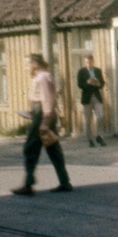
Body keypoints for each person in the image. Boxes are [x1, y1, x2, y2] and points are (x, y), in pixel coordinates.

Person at [12, 54, 73, 195]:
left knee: (30, 148)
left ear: (35, 64)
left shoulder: (42, 78)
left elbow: (48, 100)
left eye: (28, 64)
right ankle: (64, 182)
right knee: (53, 148)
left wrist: (44, 122)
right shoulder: (41, 77)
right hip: (41, 114)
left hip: (43, 116)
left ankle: (28, 184)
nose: (26, 67)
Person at [76, 55, 107, 148]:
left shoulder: (97, 70)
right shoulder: (81, 71)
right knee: (87, 120)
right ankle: (89, 139)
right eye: (86, 62)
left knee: (100, 116)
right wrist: (88, 83)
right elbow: (79, 84)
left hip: (96, 96)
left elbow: (102, 82)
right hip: (87, 97)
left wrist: (98, 83)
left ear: (93, 61)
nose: (88, 64)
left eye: (90, 62)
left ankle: (99, 136)